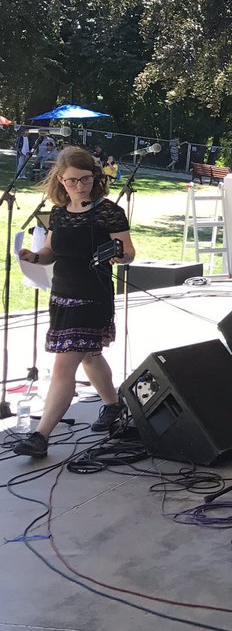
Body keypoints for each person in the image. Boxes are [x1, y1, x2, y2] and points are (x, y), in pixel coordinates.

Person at [13, 146, 136, 458]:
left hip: (92, 295)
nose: (80, 186)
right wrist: (33, 256)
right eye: (72, 181)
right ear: (60, 180)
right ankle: (113, 405)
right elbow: (51, 251)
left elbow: (129, 253)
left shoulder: (108, 211)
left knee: (64, 365)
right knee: (89, 356)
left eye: (85, 179)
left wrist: (118, 253)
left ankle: (41, 436)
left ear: (95, 178)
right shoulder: (58, 212)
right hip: (62, 295)